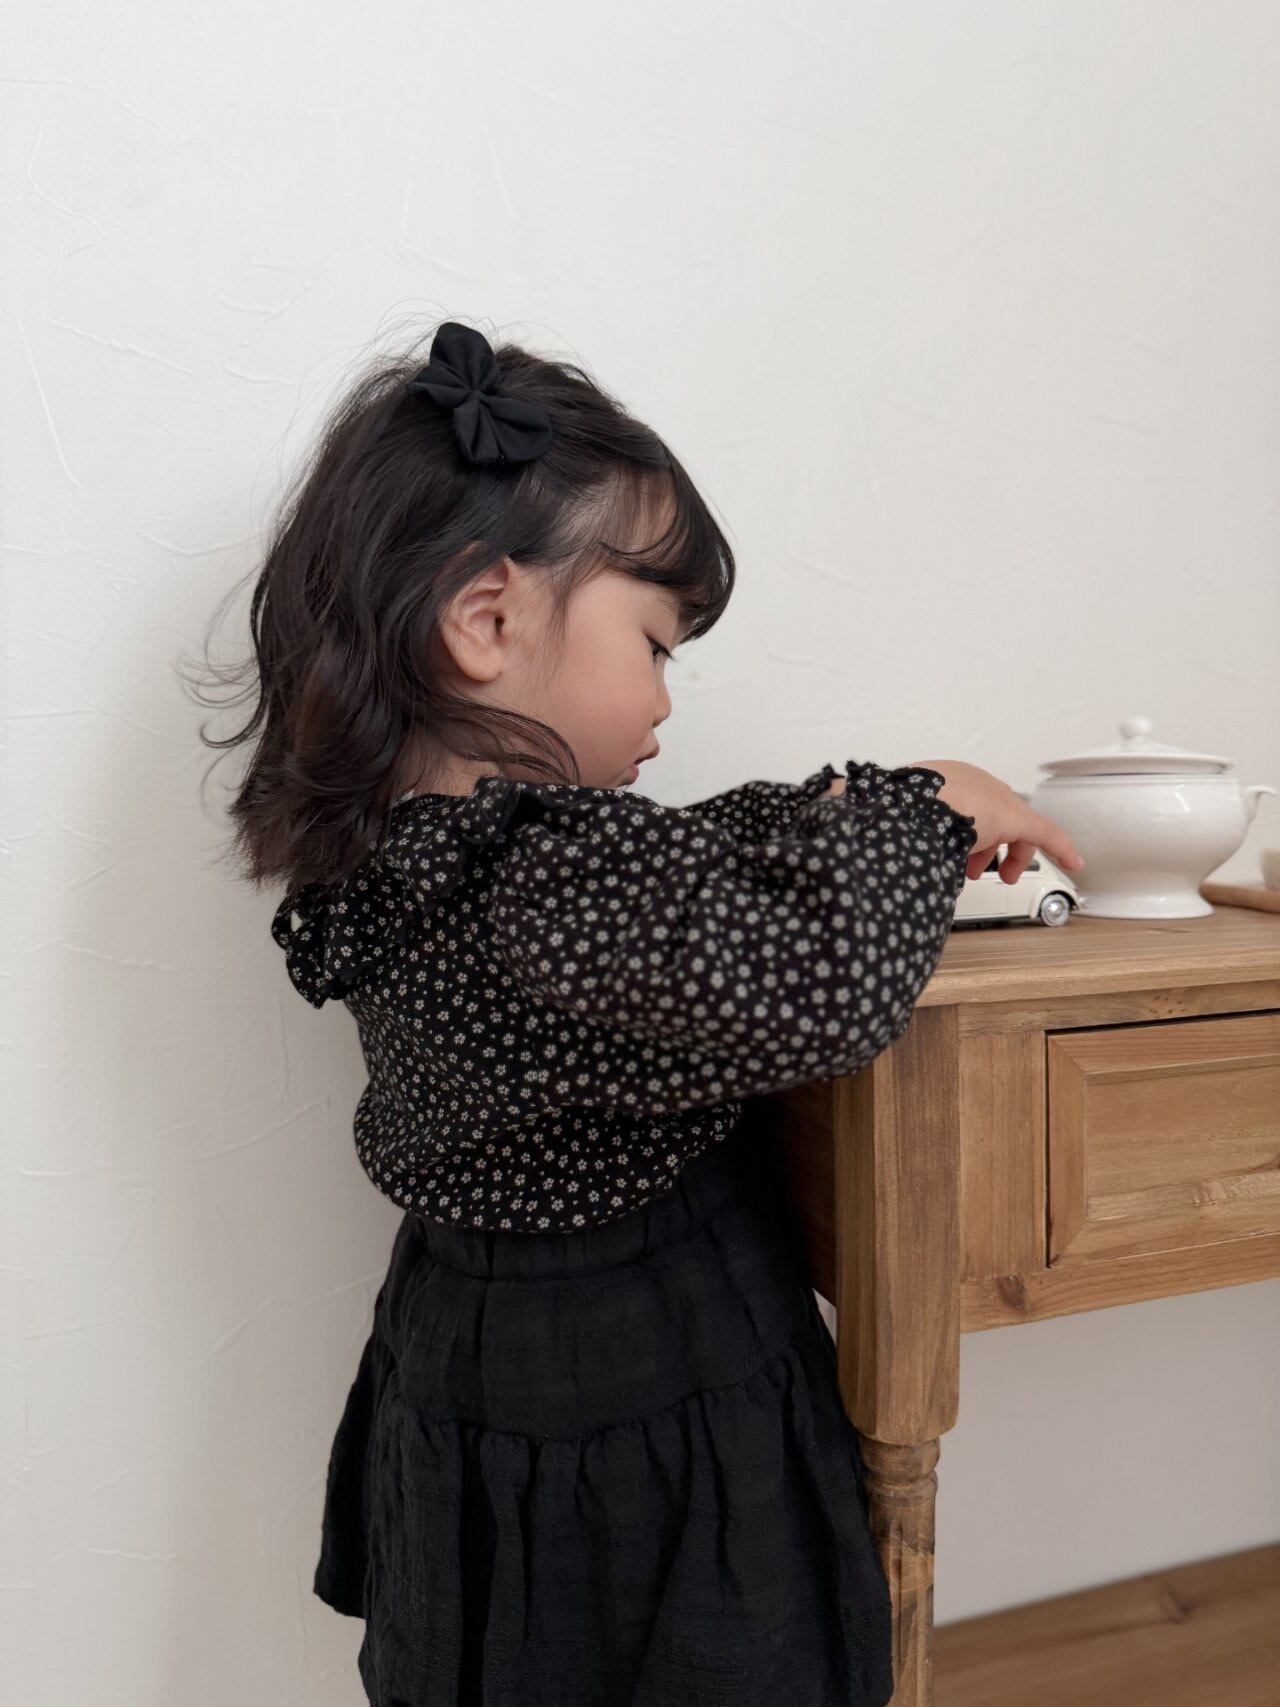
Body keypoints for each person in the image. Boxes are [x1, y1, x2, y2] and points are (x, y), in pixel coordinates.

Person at [202, 318, 1084, 1706]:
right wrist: (925, 812)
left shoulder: (413, 864)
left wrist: (830, 806)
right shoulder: (550, 882)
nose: (668, 699)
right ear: (488, 621)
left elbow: (675, 870)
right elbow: (821, 991)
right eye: (657, 646)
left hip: (463, 1345)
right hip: (642, 1362)